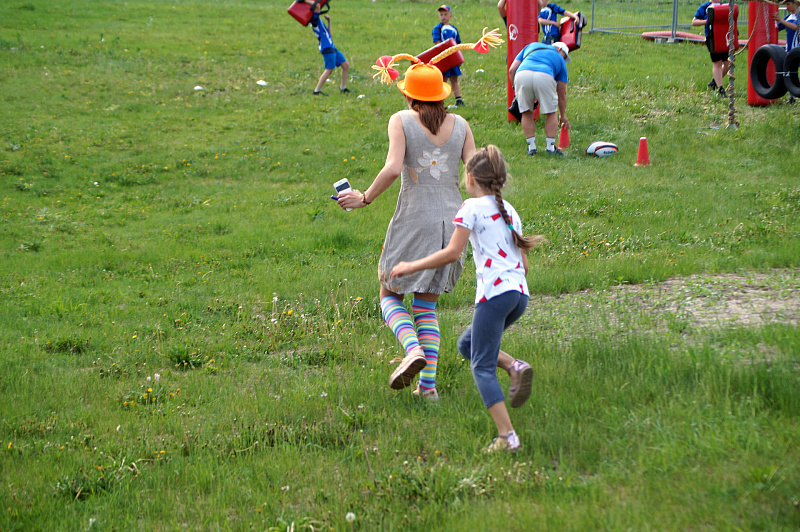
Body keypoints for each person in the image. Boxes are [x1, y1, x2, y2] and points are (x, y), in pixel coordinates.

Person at [337, 61, 476, 401]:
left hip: (414, 219)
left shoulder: (400, 120)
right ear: (442, 94)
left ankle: (411, 348)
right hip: (454, 224)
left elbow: (392, 168)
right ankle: (427, 389)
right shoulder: (461, 125)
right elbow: (475, 175)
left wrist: (364, 198)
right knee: (426, 307)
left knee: (389, 294)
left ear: (409, 96)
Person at [390, 145, 542, 453]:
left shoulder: (470, 208)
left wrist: (411, 266)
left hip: (495, 297)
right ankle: (514, 365)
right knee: (467, 345)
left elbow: (452, 253)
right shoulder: (509, 210)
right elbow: (524, 265)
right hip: (519, 296)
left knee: (481, 366)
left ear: (470, 178)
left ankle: (507, 436)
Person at [508, 41, 571, 156]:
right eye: (565, 56)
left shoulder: (531, 46)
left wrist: (517, 91)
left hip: (522, 74)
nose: (564, 58)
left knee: (526, 112)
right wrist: (562, 115)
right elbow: (562, 92)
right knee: (551, 112)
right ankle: (550, 148)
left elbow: (512, 70)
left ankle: (531, 148)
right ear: (559, 50)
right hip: (545, 75)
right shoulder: (560, 59)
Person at [303, 0, 350, 95]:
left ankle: (343, 88)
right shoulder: (314, 21)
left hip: (332, 46)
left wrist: (329, 21)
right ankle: (317, 91)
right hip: (327, 47)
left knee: (345, 65)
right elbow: (317, 6)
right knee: (329, 69)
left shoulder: (319, 21)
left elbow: (329, 34)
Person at [692, 0, 729, 97]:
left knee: (728, 63)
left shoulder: (723, 6)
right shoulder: (704, 7)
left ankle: (714, 83)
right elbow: (694, 22)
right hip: (711, 38)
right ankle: (720, 89)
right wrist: (707, 21)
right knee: (717, 62)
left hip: (723, 37)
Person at [432, 5, 465, 107]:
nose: (443, 17)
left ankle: (458, 100)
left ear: (450, 15)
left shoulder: (454, 29)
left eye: (445, 14)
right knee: (444, 79)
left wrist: (459, 58)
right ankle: (440, 100)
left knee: (454, 79)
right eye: (441, 14)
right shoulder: (437, 28)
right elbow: (437, 43)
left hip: (453, 58)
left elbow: (458, 44)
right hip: (444, 58)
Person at [775, 0, 799, 103]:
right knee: (790, 72)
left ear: (795, 4)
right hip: (790, 50)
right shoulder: (788, 17)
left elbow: (796, 27)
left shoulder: (798, 16)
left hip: (798, 49)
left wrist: (781, 20)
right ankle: (792, 97)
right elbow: (778, 27)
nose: (786, 7)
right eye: (786, 4)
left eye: (788, 4)